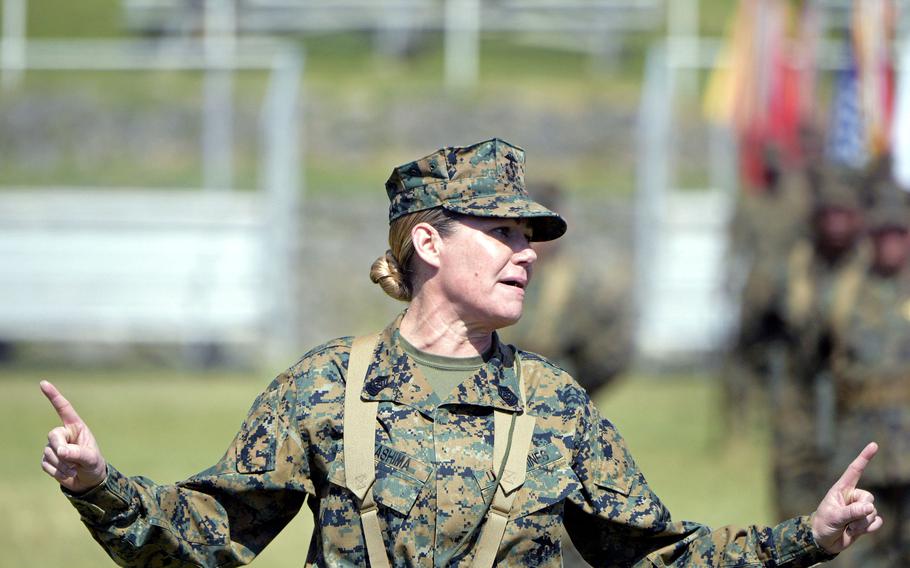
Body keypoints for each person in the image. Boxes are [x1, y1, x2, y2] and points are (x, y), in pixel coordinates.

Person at [41, 138, 882, 567]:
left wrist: (804, 535)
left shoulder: (555, 403)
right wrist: (99, 486)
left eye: (532, 236)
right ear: (429, 243)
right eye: (503, 232)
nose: (527, 253)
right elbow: (209, 539)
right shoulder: (326, 386)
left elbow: (658, 555)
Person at [772, 167, 868, 521]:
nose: (836, 224)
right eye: (828, 215)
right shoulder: (797, 266)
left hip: (856, 410)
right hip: (800, 403)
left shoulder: (874, 270)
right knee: (794, 505)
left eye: (844, 214)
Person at [825, 191, 910, 567]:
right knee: (862, 553)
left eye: (899, 233)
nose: (891, 242)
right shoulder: (845, 293)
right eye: (883, 234)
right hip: (864, 448)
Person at [499, 182, 633, 396]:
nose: (529, 244)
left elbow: (608, 354)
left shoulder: (583, 278)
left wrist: (566, 392)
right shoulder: (490, 270)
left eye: (534, 232)